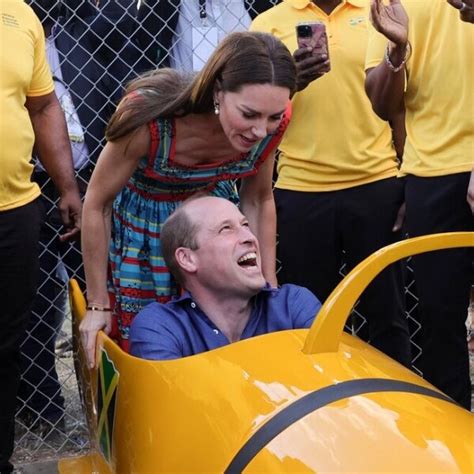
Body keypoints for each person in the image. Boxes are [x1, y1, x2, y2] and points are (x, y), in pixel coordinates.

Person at [79, 31, 297, 368]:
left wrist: (268, 286)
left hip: (215, 231)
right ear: (217, 92)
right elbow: (97, 203)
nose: (260, 131)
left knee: (227, 345)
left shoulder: (273, 123)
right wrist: (97, 305)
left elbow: (258, 200)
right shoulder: (147, 119)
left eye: (272, 117)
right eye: (249, 114)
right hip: (145, 237)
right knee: (153, 352)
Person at [250, 0, 411, 366]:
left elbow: (399, 102)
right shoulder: (267, 23)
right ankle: (318, 408)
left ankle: (395, 410)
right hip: (300, 188)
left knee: (388, 316)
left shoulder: (379, 12)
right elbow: (252, 107)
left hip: (377, 182)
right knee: (311, 319)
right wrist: (290, 79)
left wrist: (407, 174)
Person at [17, 0, 137, 438]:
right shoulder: (10, 35)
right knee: (35, 300)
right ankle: (42, 410)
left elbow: (114, 99)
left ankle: (111, 403)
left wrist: (86, 190)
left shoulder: (86, 30)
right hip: (27, 184)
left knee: (102, 293)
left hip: (91, 180)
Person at [365, 0, 473, 409]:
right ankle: (455, 441)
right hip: (432, 175)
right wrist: (396, 54)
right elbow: (381, 104)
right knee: (439, 317)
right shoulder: (395, 4)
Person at [0, 0, 82, 471]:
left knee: (5, 345)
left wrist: (67, 185)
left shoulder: (21, 14)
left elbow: (43, 103)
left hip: (15, 210)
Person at [129, 196, 321, 360]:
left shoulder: (293, 305)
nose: (249, 237)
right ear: (187, 259)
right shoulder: (160, 327)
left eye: (245, 225)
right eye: (226, 229)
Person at [136, 0, 280, 71]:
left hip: (249, 96)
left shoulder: (263, 4)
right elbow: (146, 47)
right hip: (188, 103)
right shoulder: (163, 5)